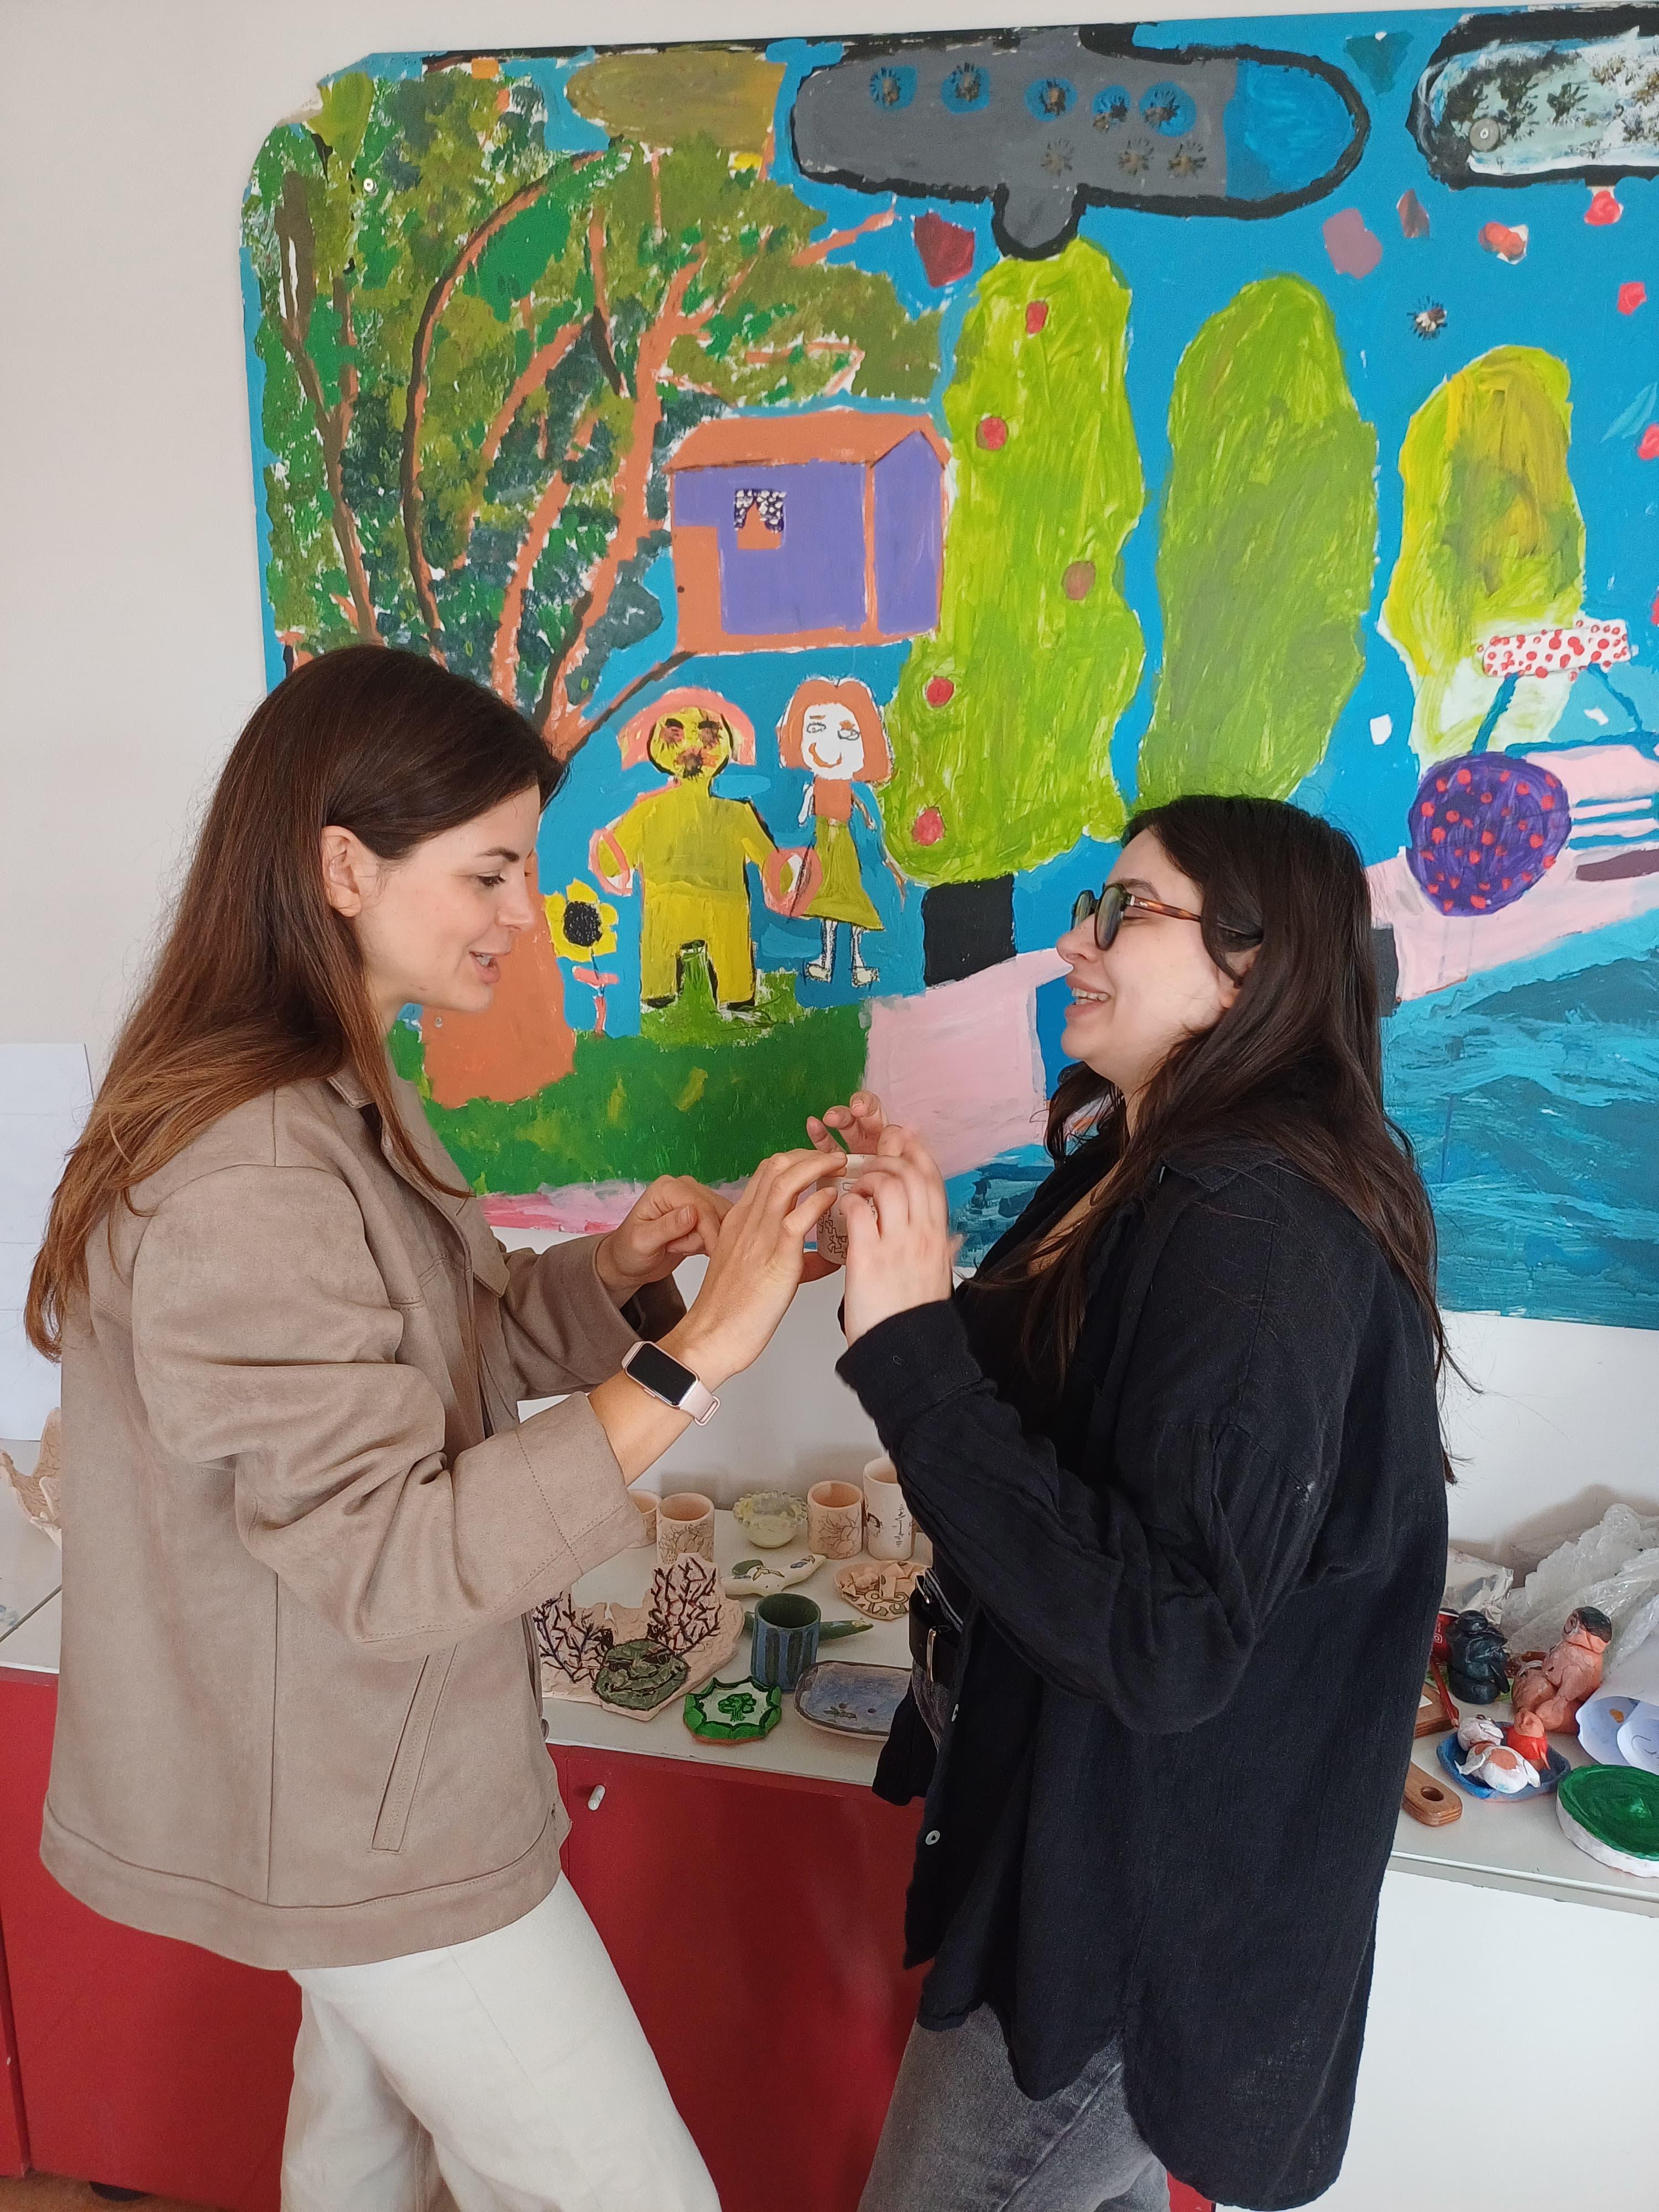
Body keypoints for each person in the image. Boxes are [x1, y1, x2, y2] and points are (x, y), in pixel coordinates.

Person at [27, 646, 837, 2212]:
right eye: (490, 870)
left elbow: (431, 1368)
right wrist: (697, 1360)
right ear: (345, 867)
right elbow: (391, 1555)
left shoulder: (333, 1094)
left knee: (358, 2150)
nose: (524, 910)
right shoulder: (256, 1162)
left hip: (374, 1776)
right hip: (371, 1812)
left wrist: (619, 1278)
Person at [811, 795, 1452, 2212]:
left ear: (1247, 966)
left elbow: (1167, 1638)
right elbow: (1055, 1416)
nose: (1074, 942)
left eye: (1123, 910)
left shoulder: (1255, 1223)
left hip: (1136, 1913)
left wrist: (908, 1344)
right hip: (1073, 1842)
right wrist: (907, 1246)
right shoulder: (1141, 1163)